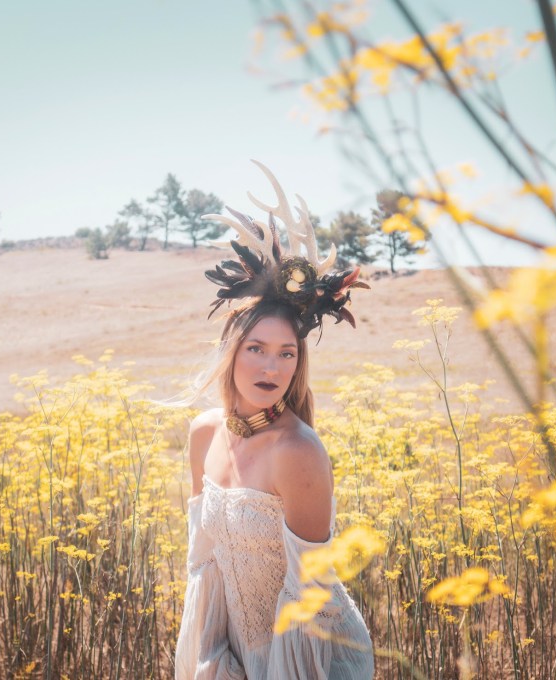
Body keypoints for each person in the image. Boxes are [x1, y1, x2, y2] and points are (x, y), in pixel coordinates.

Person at [174, 161, 375, 679]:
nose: (271, 366)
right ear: (231, 352)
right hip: (240, 656)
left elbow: (308, 600)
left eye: (287, 354)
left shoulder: (300, 454)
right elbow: (206, 570)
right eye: (257, 348)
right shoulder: (203, 435)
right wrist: (216, 665)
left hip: (314, 660)